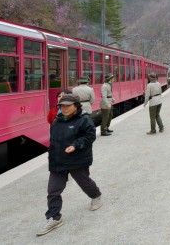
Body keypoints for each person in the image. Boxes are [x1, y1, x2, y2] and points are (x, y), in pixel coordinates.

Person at [36, 94, 102, 236]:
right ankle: (54, 218)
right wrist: (51, 155)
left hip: (77, 159)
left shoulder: (84, 120)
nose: (64, 108)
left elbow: (90, 136)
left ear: (76, 106)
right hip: (58, 161)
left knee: (84, 182)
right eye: (61, 106)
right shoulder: (57, 120)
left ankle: (96, 195)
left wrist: (75, 145)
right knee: (53, 191)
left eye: (67, 106)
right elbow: (53, 141)